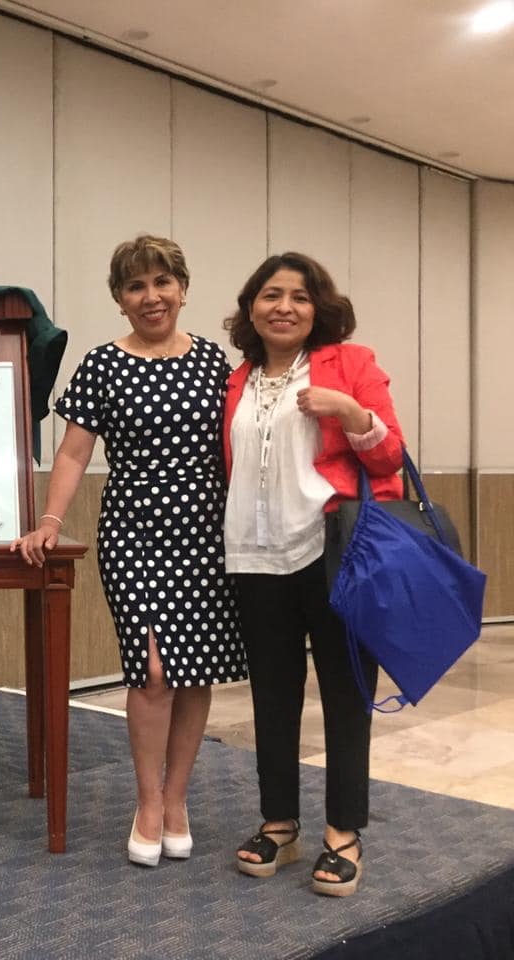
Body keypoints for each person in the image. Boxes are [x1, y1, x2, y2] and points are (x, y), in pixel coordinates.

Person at [13, 235, 246, 866]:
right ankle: (147, 799)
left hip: (207, 530)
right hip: (136, 531)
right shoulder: (102, 365)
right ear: (119, 299)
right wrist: (51, 519)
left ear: (183, 288)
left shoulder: (214, 362)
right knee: (152, 672)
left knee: (196, 669)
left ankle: (177, 797)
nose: (152, 297)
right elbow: (73, 452)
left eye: (162, 282)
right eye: (136, 286)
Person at [224, 252, 404, 897]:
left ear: (317, 308)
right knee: (273, 694)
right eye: (271, 295)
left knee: (345, 694)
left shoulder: (349, 366)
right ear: (251, 307)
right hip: (254, 554)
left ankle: (344, 832)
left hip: (334, 551)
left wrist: (350, 413)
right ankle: (279, 824)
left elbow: (390, 454)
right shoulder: (237, 379)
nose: (284, 307)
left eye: (299, 297)